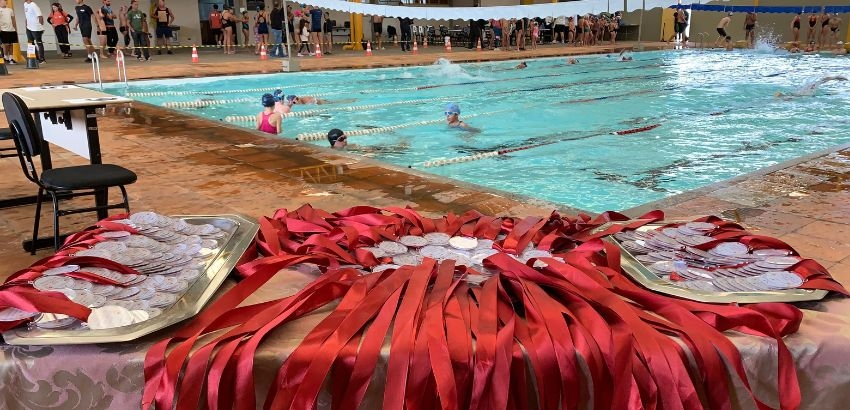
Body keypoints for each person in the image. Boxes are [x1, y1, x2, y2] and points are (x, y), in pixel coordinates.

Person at [0, 0, 17, 64]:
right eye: (2, 2)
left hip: (11, 29)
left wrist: (15, 29)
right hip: (3, 29)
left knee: (11, 44)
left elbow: (13, 19)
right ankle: (5, 57)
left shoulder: (10, 10)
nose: (3, 3)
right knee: (5, 44)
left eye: (4, 1)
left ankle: (11, 58)